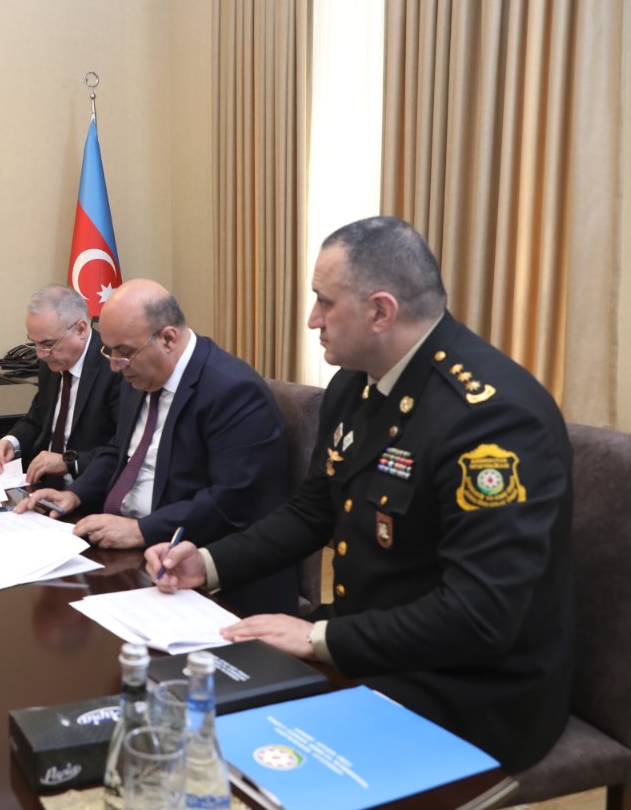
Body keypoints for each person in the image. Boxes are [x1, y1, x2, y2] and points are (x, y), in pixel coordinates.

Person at [147, 216, 574, 772]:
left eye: (325, 302)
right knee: (177, 705)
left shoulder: (490, 419)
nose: (312, 319)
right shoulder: (357, 381)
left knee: (238, 760)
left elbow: (480, 616)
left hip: (467, 688)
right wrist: (206, 563)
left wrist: (320, 638)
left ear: (380, 312)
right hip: (373, 644)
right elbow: (314, 510)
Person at [17, 278, 297, 616]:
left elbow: (232, 500)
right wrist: (75, 495)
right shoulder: (139, 373)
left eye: (124, 352)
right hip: (125, 549)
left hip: (195, 565)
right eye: (109, 350)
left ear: (168, 338)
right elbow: (119, 451)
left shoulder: (233, 391)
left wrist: (140, 530)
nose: (114, 365)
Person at [0, 285, 123, 485]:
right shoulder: (51, 362)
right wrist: (10, 442)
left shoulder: (115, 367)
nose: (40, 354)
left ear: (81, 329)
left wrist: (69, 462)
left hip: (88, 489)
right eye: (35, 343)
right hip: (40, 484)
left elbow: (122, 450)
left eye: (48, 344)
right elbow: (36, 420)